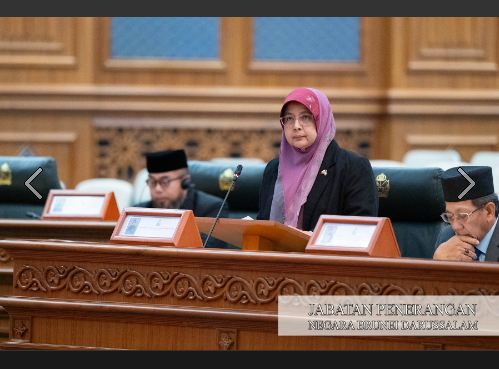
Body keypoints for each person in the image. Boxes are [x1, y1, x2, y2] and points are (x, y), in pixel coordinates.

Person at [257, 87, 379, 232]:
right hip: (275, 254)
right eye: (289, 118)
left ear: (322, 120)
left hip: (324, 254)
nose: (296, 126)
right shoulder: (273, 169)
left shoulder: (353, 167)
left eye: (306, 117)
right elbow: (262, 225)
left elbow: (359, 231)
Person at [133, 149, 233, 249]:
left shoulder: (212, 209)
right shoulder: (137, 211)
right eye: (152, 182)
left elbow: (210, 254)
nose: (158, 189)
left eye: (165, 182)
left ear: (185, 182)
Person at [433, 166, 499, 262]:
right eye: (450, 216)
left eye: (463, 216)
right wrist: (437, 262)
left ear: (489, 211)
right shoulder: (446, 237)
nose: (455, 226)